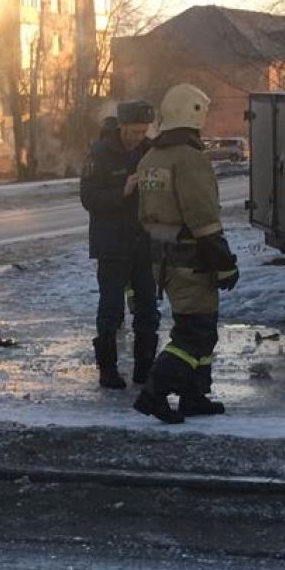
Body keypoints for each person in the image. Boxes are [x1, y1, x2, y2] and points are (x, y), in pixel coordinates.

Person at [134, 82, 239, 424]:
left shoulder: (151, 157)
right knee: (195, 333)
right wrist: (224, 263)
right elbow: (203, 217)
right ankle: (154, 392)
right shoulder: (189, 159)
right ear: (194, 114)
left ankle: (194, 395)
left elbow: (146, 212)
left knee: (197, 328)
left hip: (162, 257)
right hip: (192, 259)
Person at [78, 99, 159, 389]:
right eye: (134, 131)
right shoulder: (99, 154)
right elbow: (89, 198)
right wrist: (122, 190)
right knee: (111, 308)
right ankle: (108, 370)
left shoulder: (150, 151)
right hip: (111, 244)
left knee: (148, 307)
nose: (138, 136)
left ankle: (145, 368)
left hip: (143, 241)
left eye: (143, 131)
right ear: (122, 125)